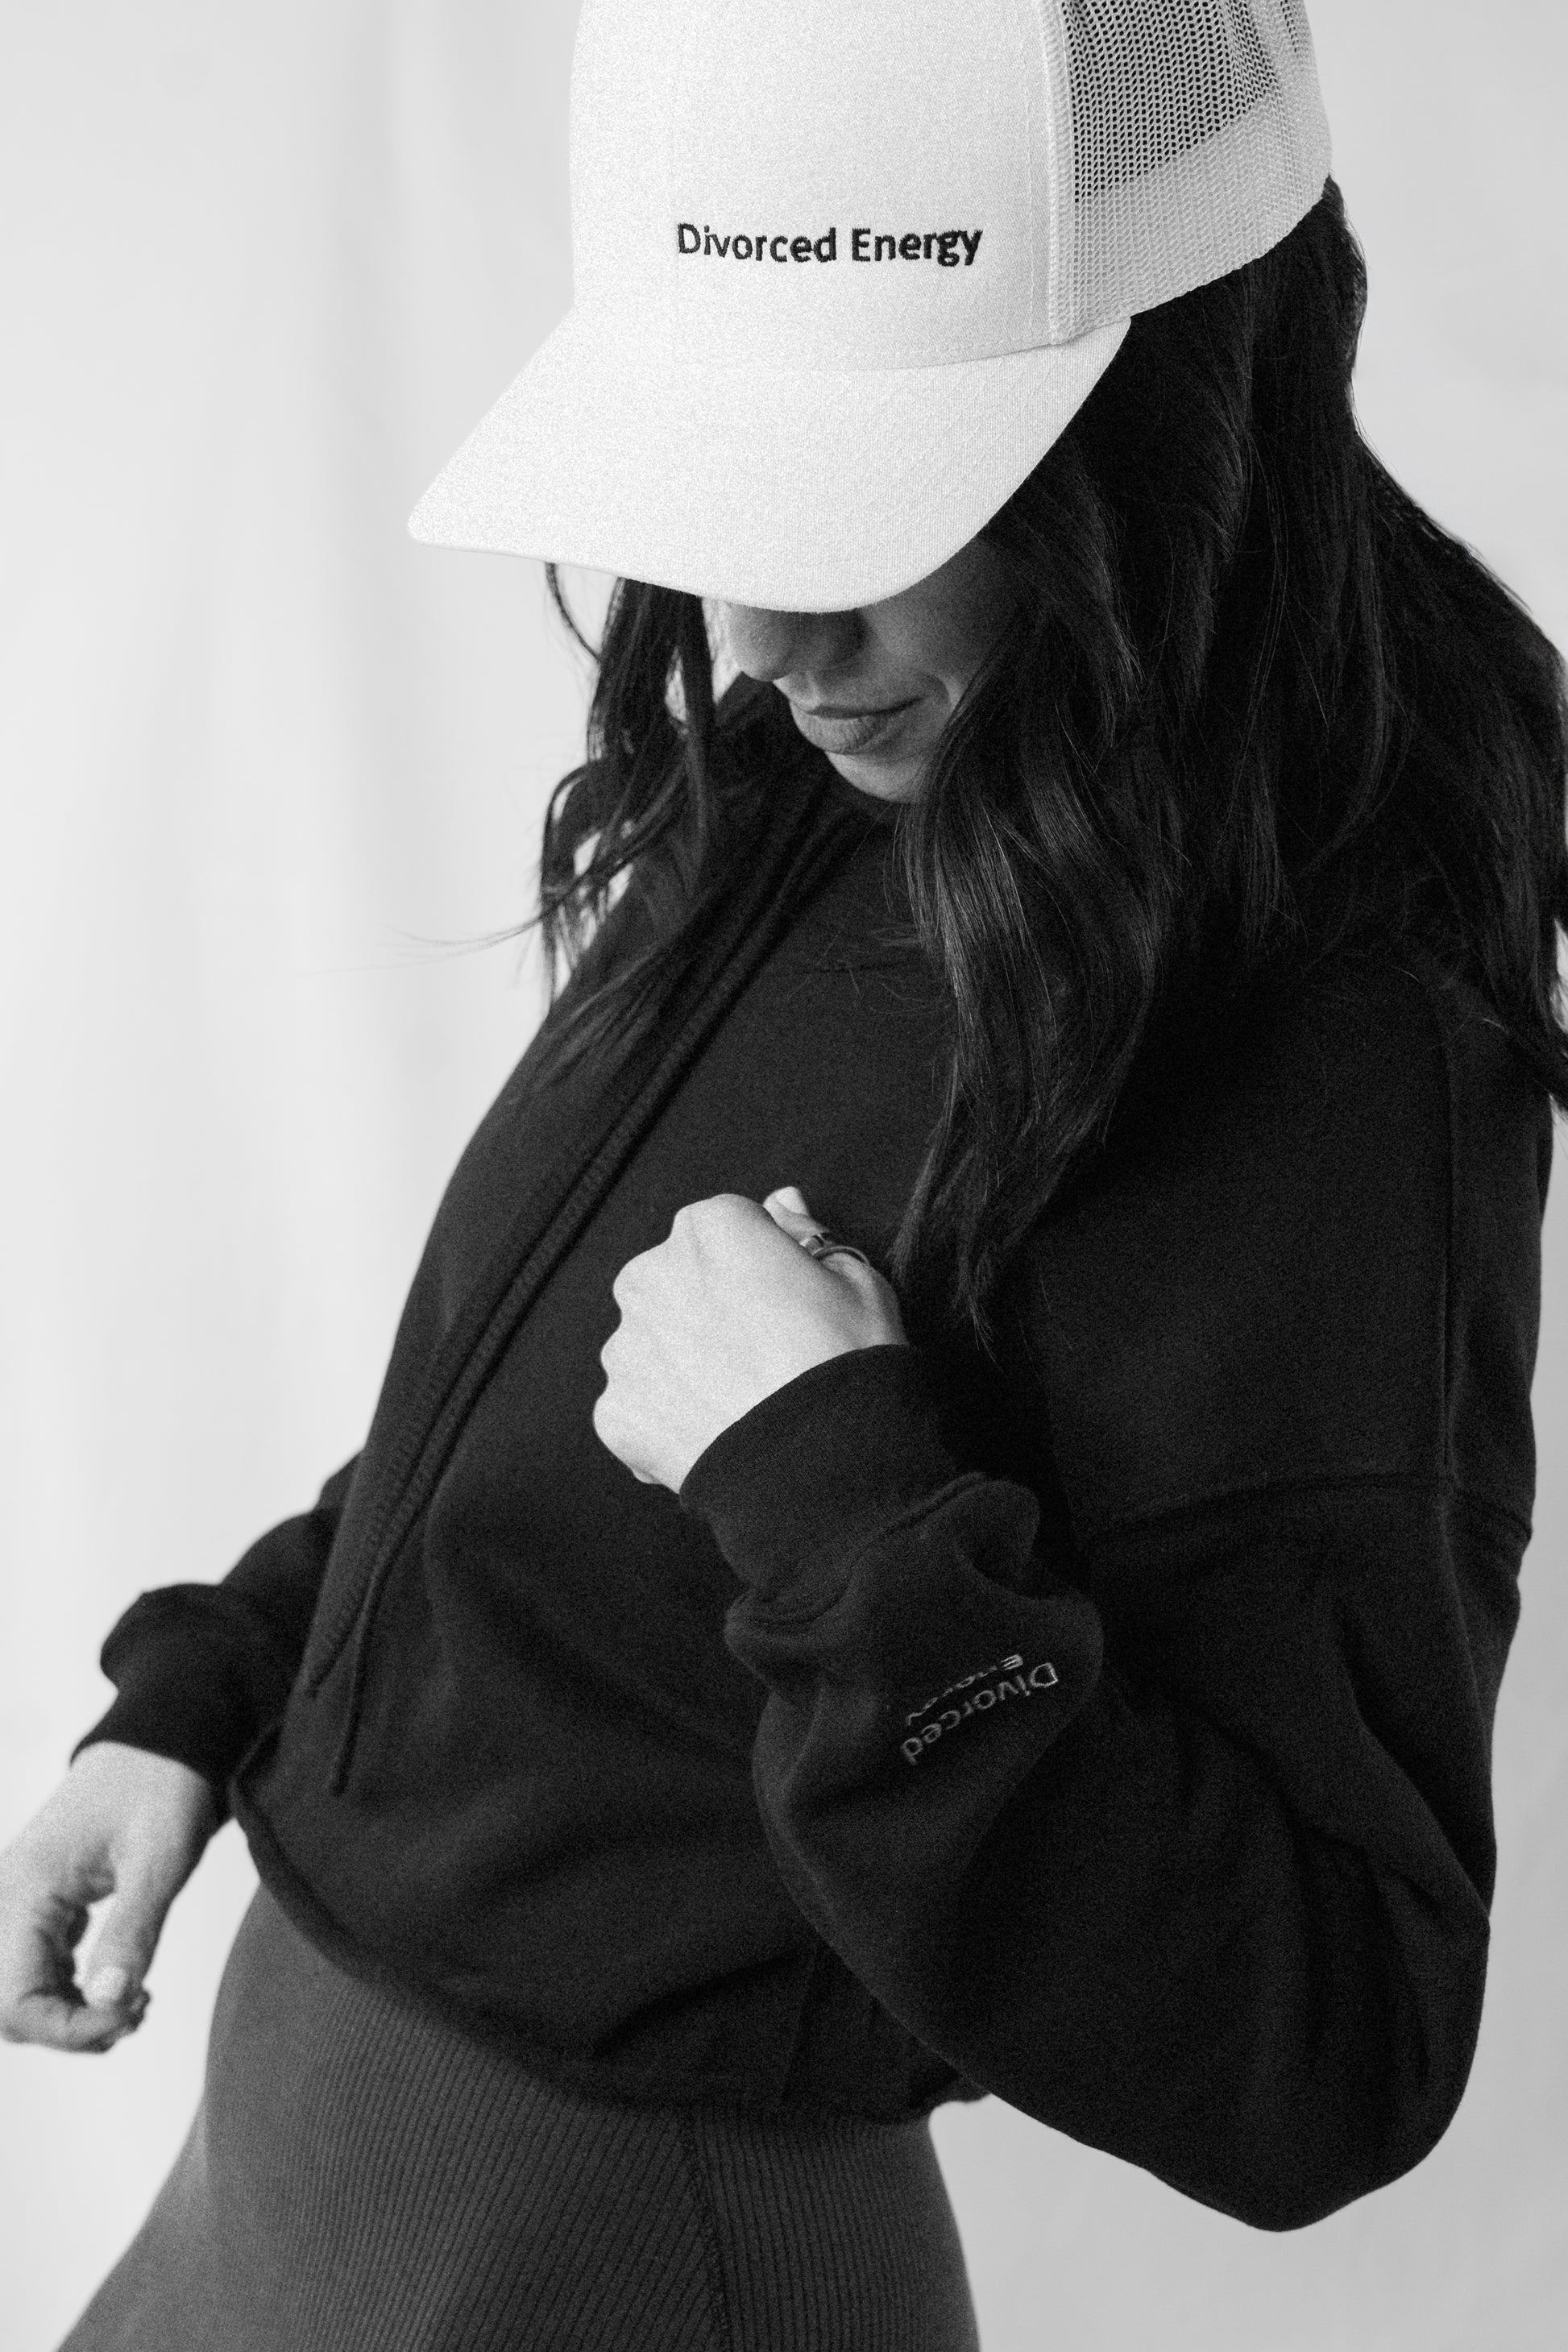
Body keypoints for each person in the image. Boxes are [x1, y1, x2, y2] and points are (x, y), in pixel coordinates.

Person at [3, 1, 1565, 2346]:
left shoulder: (1321, 1048)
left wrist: (834, 1496)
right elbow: (565, 1405)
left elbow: (1322, 2044)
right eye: (719, 497)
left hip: (615, 2267)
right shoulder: (866, 764)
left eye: (861, 507)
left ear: (1166, 410)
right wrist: (217, 1694)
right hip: (306, 2166)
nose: (761, 634)